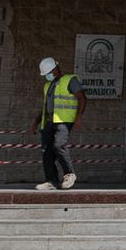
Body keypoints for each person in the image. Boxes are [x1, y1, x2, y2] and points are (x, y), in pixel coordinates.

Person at [34, 57, 85, 191]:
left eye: (48, 73)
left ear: (55, 69)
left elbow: (82, 97)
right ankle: (51, 181)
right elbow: (45, 107)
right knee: (47, 151)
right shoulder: (48, 85)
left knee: (59, 145)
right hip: (48, 122)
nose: (47, 76)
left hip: (63, 120)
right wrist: (36, 121)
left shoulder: (70, 80)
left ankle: (69, 174)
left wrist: (79, 117)